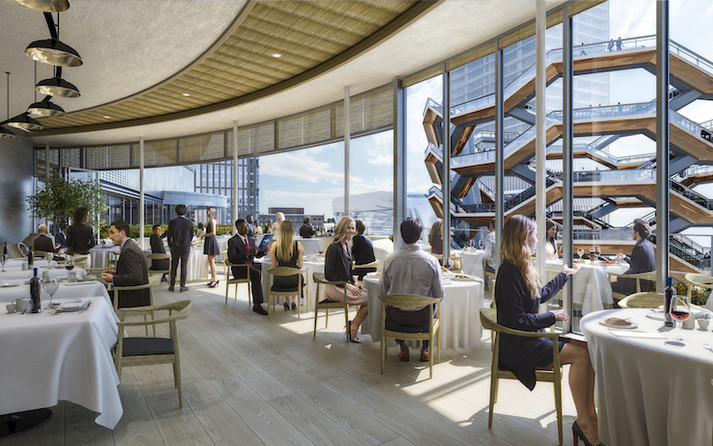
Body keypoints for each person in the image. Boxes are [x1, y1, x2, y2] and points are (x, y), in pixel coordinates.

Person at [496, 215, 601, 446]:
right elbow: (517, 320)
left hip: (529, 339)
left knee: (587, 348)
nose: (537, 239)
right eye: (534, 234)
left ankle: (590, 416)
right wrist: (552, 316)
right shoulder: (509, 273)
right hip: (518, 347)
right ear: (523, 239)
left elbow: (540, 295)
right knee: (582, 356)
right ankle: (585, 423)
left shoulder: (520, 268)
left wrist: (564, 275)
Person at [379, 217, 444, 362]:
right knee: (432, 304)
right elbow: (440, 294)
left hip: (396, 317)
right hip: (423, 317)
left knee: (389, 305)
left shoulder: (389, 260)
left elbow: (381, 293)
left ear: (401, 235)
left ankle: (403, 347)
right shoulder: (431, 261)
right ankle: (425, 348)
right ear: (420, 235)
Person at [324, 216, 368, 343]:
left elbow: (348, 271)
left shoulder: (348, 245)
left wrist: (354, 282)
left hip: (344, 285)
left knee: (371, 296)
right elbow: (329, 275)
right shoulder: (334, 248)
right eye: (348, 228)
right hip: (335, 287)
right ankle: (354, 326)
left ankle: (353, 324)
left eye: (353, 228)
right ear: (342, 228)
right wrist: (347, 285)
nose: (351, 231)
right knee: (370, 299)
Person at [101, 220, 150, 308]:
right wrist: (115, 274)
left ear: (122, 233)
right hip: (132, 294)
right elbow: (133, 273)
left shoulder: (129, 250)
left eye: (112, 233)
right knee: (100, 291)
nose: (110, 236)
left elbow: (136, 277)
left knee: (97, 297)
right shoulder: (130, 246)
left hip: (132, 298)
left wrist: (113, 278)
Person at [228, 218, 268, 315]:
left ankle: (266, 298)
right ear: (237, 228)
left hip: (250, 265)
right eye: (243, 227)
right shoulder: (232, 241)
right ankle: (257, 305)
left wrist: (263, 251)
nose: (246, 229)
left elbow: (256, 255)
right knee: (256, 274)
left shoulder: (250, 239)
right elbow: (232, 258)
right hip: (239, 268)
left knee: (265, 268)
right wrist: (247, 253)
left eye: (247, 226)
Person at [612, 218, 655, 295]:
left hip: (639, 284)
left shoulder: (639, 247)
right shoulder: (647, 245)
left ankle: (619, 303)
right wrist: (625, 258)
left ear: (637, 232)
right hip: (646, 283)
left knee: (611, 284)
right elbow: (638, 265)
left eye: (632, 230)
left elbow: (633, 270)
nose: (631, 232)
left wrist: (617, 278)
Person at [269, 220, 304, 311]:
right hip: (294, 281)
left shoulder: (274, 245)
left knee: (283, 274)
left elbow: (274, 267)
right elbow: (300, 265)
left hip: (279, 281)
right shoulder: (298, 245)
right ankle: (293, 301)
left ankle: (285, 301)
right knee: (295, 275)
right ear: (292, 231)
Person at [165, 204, 193, 292]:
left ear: (176, 211)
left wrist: (170, 246)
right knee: (183, 266)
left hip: (175, 247)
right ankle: (182, 286)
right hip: (185, 248)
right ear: (185, 212)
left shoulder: (172, 222)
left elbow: (169, 236)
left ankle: (172, 286)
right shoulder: (189, 223)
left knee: (174, 266)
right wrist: (187, 243)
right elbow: (191, 236)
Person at [202, 207, 220, 288]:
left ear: (211, 212)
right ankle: (213, 279)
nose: (206, 212)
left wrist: (204, 235)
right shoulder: (211, 220)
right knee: (210, 261)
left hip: (211, 241)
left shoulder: (212, 221)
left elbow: (213, 233)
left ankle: (215, 279)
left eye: (208, 211)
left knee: (212, 262)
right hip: (210, 241)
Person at [483, 220, 497, 289]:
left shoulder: (490, 236)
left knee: (482, 263)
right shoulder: (505, 235)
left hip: (494, 266)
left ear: (491, 226)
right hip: (504, 265)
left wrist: (483, 258)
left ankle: (485, 285)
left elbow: (487, 255)